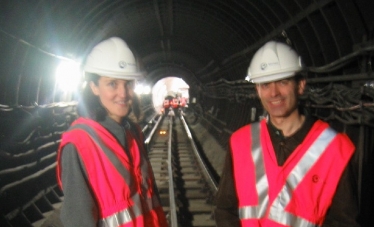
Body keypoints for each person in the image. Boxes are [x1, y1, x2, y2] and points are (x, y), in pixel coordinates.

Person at [214, 41, 360, 227]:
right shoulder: (241, 142)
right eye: (265, 85)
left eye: (283, 82)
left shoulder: (335, 149)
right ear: (257, 91)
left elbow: (343, 222)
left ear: (300, 86)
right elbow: (225, 210)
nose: (274, 93)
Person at [56, 37, 168, 227]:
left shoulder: (133, 133)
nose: (123, 93)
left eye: (128, 84)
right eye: (112, 84)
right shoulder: (79, 144)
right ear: (94, 87)